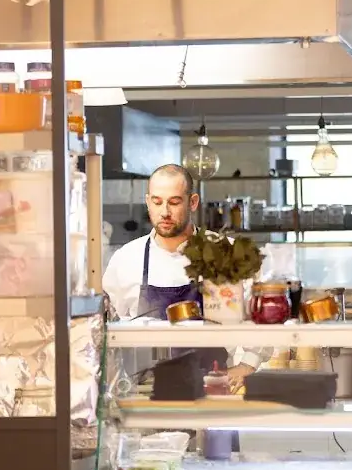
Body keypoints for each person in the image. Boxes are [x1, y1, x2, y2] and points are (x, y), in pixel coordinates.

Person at [102, 163, 263, 389]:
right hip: (145, 393)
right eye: (157, 202)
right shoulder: (126, 259)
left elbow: (260, 317)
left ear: (193, 202)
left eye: (174, 202)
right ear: (148, 201)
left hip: (211, 390)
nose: (164, 212)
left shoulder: (225, 253)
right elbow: (107, 329)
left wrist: (248, 364)